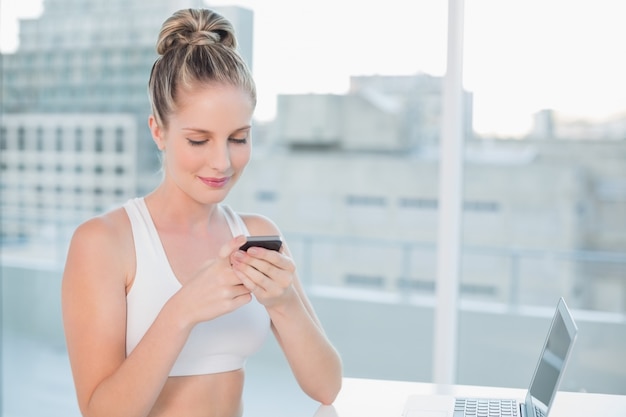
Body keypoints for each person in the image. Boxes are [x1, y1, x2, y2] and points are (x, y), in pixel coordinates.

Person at [61, 8, 342, 417]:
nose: (222, 163)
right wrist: (182, 310)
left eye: (238, 138)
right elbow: (100, 412)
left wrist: (284, 304)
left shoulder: (256, 233)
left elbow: (327, 386)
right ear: (158, 130)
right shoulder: (104, 243)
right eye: (198, 140)